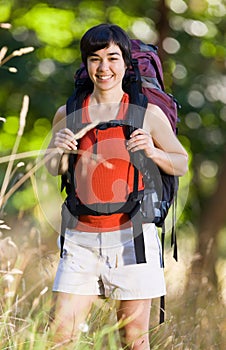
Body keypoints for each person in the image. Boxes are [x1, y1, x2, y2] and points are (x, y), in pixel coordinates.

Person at [46, 23, 188, 349]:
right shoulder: (67, 113)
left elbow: (181, 162)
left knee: (134, 340)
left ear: (126, 63)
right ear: (87, 64)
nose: (104, 67)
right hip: (80, 237)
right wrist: (60, 152)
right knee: (60, 337)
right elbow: (53, 168)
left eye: (112, 58)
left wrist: (153, 152)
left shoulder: (148, 113)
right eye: (95, 59)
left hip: (133, 237)